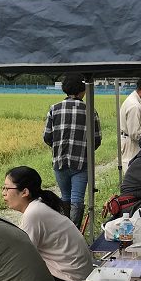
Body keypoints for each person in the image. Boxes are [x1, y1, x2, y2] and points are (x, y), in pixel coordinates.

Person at [2, 166, 95, 281]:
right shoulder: (39, 205)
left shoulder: (33, 213)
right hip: (77, 276)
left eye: (7, 188)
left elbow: (22, 257)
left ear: (24, 192)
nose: (3, 193)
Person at [44, 74, 102, 227]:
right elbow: (96, 139)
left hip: (60, 162)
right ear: (82, 90)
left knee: (65, 197)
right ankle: (73, 232)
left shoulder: (54, 109)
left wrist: (59, 148)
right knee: (77, 199)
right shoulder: (89, 110)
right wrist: (84, 149)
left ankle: (63, 231)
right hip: (82, 163)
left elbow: (47, 137)